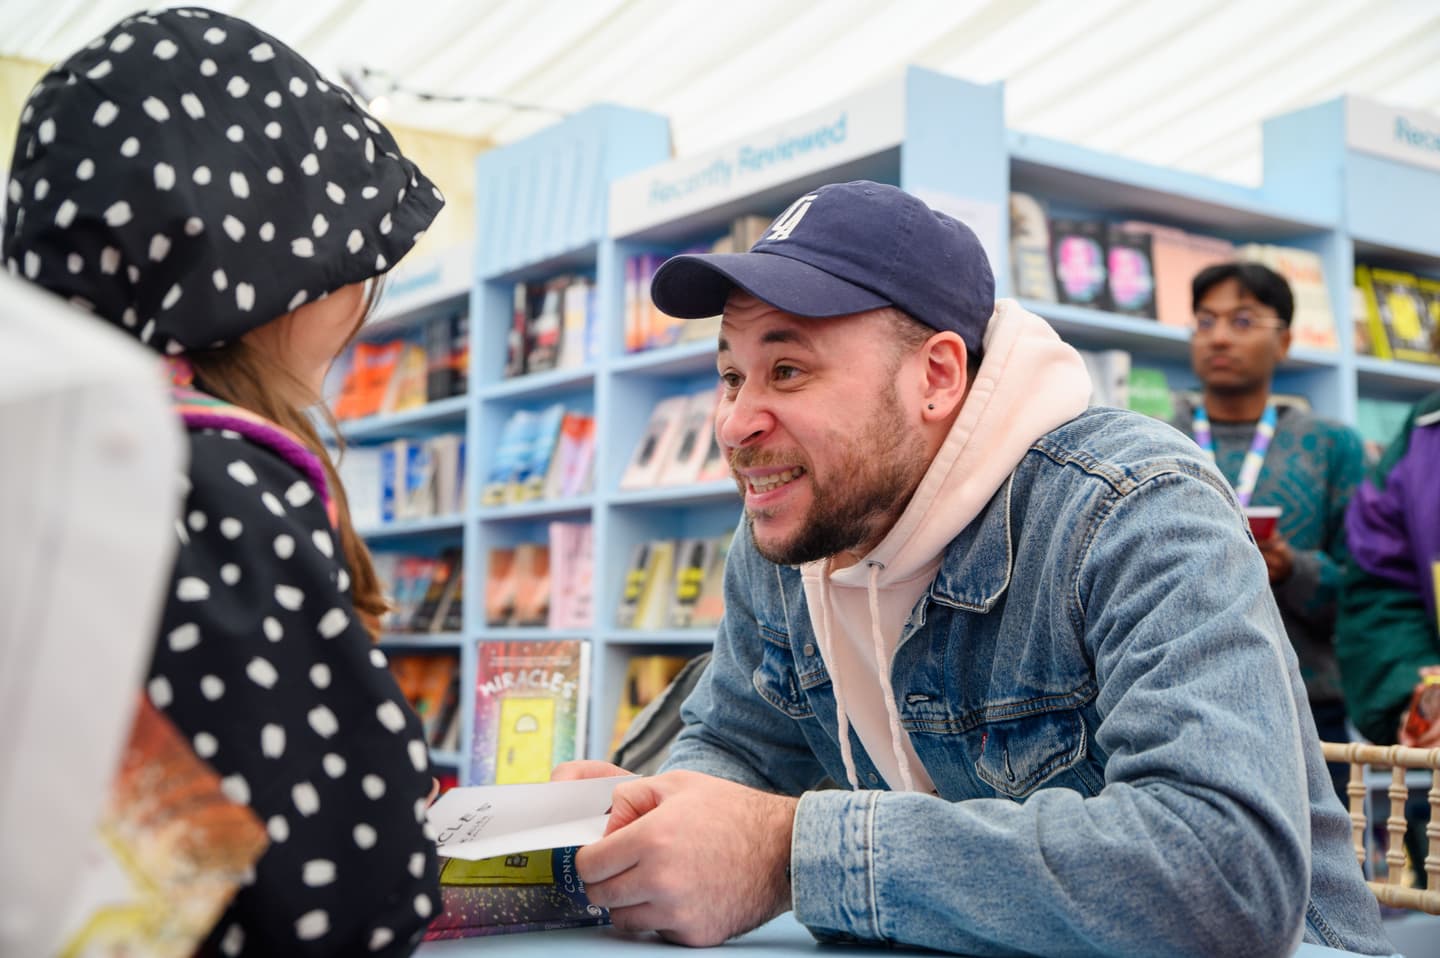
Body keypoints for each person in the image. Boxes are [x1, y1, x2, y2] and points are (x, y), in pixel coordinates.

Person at [555, 181, 1390, 956]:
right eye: (730, 375)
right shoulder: (791, 535)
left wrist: (785, 852)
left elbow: (1225, 874)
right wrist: (665, 818)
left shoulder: (1135, 508)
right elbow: (739, 742)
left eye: (787, 370)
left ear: (938, 376)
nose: (735, 423)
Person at [3, 9, 445, 956]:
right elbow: (339, 887)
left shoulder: (56, 464)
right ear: (270, 264)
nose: (360, 291)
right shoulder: (212, 490)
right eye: (349, 253)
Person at [1170, 263, 1366, 767]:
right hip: (1176, 694)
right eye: (1205, 320)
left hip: (1305, 698)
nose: (1217, 338)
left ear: (1284, 342)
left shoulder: (1330, 445)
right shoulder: (1157, 440)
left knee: (1315, 845)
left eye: (1241, 322)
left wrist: (1292, 568)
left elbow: (1365, 588)